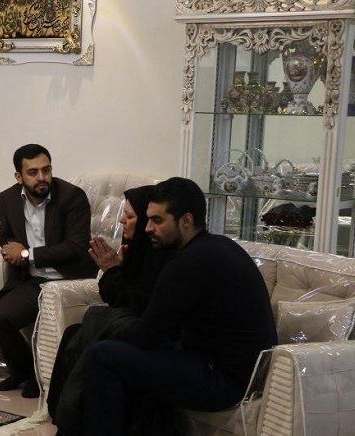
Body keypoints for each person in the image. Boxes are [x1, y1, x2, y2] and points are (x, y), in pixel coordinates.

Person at [80, 178, 277, 435]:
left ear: (186, 220)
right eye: (148, 219)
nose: (148, 228)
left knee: (102, 354)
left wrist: (107, 325)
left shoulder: (187, 264)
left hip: (223, 381)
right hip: (239, 372)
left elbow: (145, 336)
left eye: (157, 220)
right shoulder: (220, 245)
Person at [47, 185, 178, 434]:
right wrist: (117, 270)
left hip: (149, 334)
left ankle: (73, 420)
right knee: (73, 333)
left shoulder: (164, 257)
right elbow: (118, 299)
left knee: (94, 337)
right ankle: (62, 415)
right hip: (130, 323)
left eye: (129, 216)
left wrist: (114, 271)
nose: (121, 221)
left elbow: (141, 304)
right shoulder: (137, 250)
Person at [0, 144, 93, 397]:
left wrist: (27, 254)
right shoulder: (7, 199)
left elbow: (76, 247)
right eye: (33, 172)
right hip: (34, 280)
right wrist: (10, 251)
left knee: (44, 319)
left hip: (69, 281)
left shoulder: (72, 197)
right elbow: (6, 237)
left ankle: (43, 377)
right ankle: (25, 371)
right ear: (19, 176)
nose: (42, 177)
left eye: (46, 170)